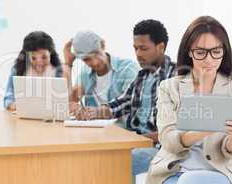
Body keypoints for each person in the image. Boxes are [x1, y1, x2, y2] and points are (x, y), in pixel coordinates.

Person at [146, 16, 232, 184]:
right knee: (188, 180)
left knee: (192, 180)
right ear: (189, 51)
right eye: (201, 52)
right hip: (174, 169)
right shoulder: (169, 88)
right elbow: (168, 140)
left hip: (219, 170)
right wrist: (204, 130)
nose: (209, 60)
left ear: (224, 51)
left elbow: (229, 151)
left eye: (216, 52)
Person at [74, 20, 177, 176]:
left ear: (161, 47)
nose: (138, 54)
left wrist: (139, 139)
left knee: (115, 160)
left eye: (143, 48)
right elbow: (120, 104)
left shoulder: (176, 77)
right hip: (137, 142)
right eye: (135, 48)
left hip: (160, 148)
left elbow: (177, 130)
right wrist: (93, 112)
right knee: (93, 154)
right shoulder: (142, 76)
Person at [63, 31, 139, 124]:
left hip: (123, 132)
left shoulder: (128, 69)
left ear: (102, 45)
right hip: (96, 133)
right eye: (87, 59)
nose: (94, 62)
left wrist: (97, 112)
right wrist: (68, 63)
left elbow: (131, 104)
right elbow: (68, 102)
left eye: (96, 54)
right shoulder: (85, 73)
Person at [3, 31, 64, 111]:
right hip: (24, 117)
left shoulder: (58, 70)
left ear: (51, 54)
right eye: (34, 58)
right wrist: (12, 105)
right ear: (27, 56)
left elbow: (64, 99)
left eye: (44, 57)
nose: (40, 62)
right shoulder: (18, 69)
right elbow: (8, 97)